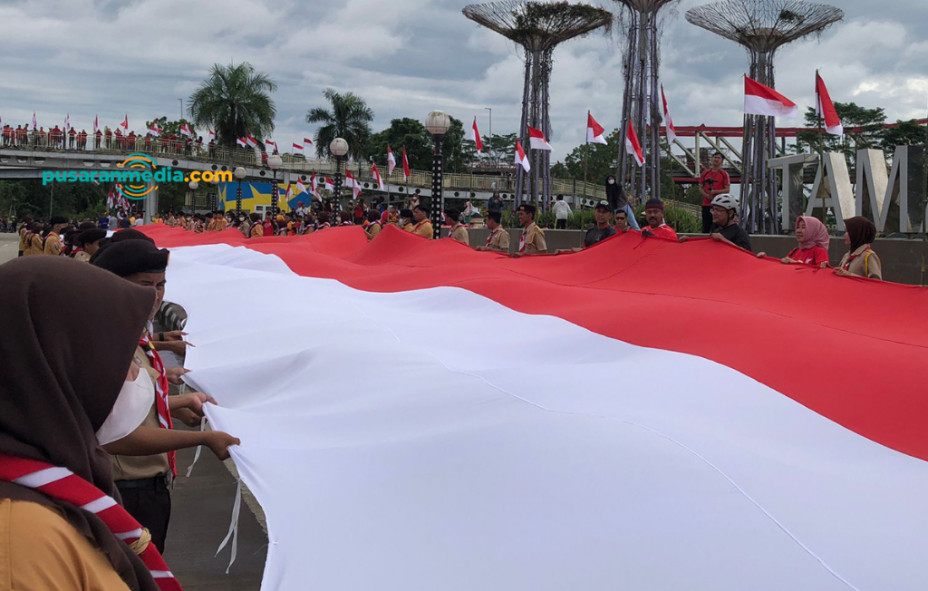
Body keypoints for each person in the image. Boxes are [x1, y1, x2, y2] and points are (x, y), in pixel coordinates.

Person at [0, 256, 181, 591]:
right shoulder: (22, 539)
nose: (136, 375)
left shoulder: (60, 487)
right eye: (120, 357)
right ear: (59, 368)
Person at [92, 239, 239, 552]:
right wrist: (202, 439)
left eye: (161, 285)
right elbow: (117, 436)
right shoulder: (109, 343)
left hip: (148, 485)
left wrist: (175, 405)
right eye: (145, 284)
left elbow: (130, 406)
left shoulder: (127, 331)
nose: (155, 295)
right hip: (126, 488)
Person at [757, 216, 830, 266]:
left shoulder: (819, 251)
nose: (799, 231)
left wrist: (795, 263)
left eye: (803, 227)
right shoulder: (795, 251)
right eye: (797, 227)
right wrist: (765, 260)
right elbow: (781, 268)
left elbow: (822, 275)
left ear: (814, 231)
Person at [699, 152, 731, 233]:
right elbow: (700, 188)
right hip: (706, 204)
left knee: (718, 227)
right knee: (706, 227)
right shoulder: (705, 173)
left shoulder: (724, 174)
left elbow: (727, 190)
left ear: (722, 161)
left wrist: (715, 192)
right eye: (715, 157)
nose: (716, 159)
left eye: (718, 158)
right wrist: (706, 195)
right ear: (712, 159)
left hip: (719, 205)